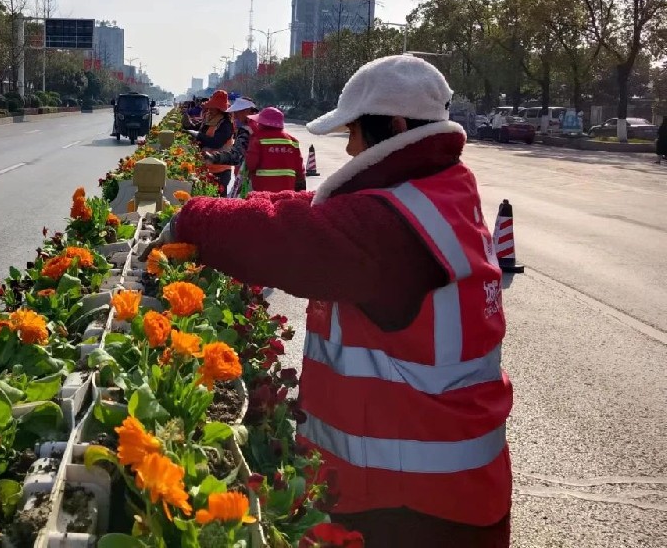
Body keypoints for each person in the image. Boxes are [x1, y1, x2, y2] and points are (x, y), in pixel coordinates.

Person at [145, 55, 513, 548]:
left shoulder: (399, 224)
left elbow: (291, 239)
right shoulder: (438, 190)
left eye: (355, 133)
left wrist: (192, 222)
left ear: (397, 128)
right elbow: (305, 206)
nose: (349, 146)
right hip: (443, 491)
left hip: (415, 509)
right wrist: (218, 209)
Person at [242, 106, 307, 194]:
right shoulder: (292, 141)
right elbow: (299, 168)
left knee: (265, 207)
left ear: (263, 124)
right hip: (288, 187)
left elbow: (251, 164)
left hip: (263, 187)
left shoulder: (257, 139)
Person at [204, 97, 257, 197]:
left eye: (237, 112)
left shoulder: (246, 130)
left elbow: (236, 156)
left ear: (246, 111)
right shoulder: (259, 126)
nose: (235, 116)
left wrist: (215, 158)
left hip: (248, 178)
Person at [193, 90, 236, 194]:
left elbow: (216, 142)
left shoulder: (226, 124)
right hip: (208, 167)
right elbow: (200, 134)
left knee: (219, 201)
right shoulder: (210, 120)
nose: (210, 109)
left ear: (219, 109)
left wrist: (198, 136)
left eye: (213, 107)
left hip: (221, 169)